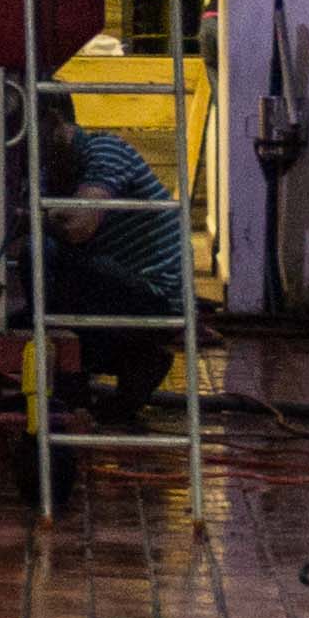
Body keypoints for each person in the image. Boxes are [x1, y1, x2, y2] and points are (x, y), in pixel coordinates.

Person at [31, 86, 189, 428]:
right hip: (120, 294)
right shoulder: (50, 174)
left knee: (45, 254)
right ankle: (121, 371)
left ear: (54, 121)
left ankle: (78, 395)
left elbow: (79, 226)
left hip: (155, 298)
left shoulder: (105, 150)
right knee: (21, 317)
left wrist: (26, 216)